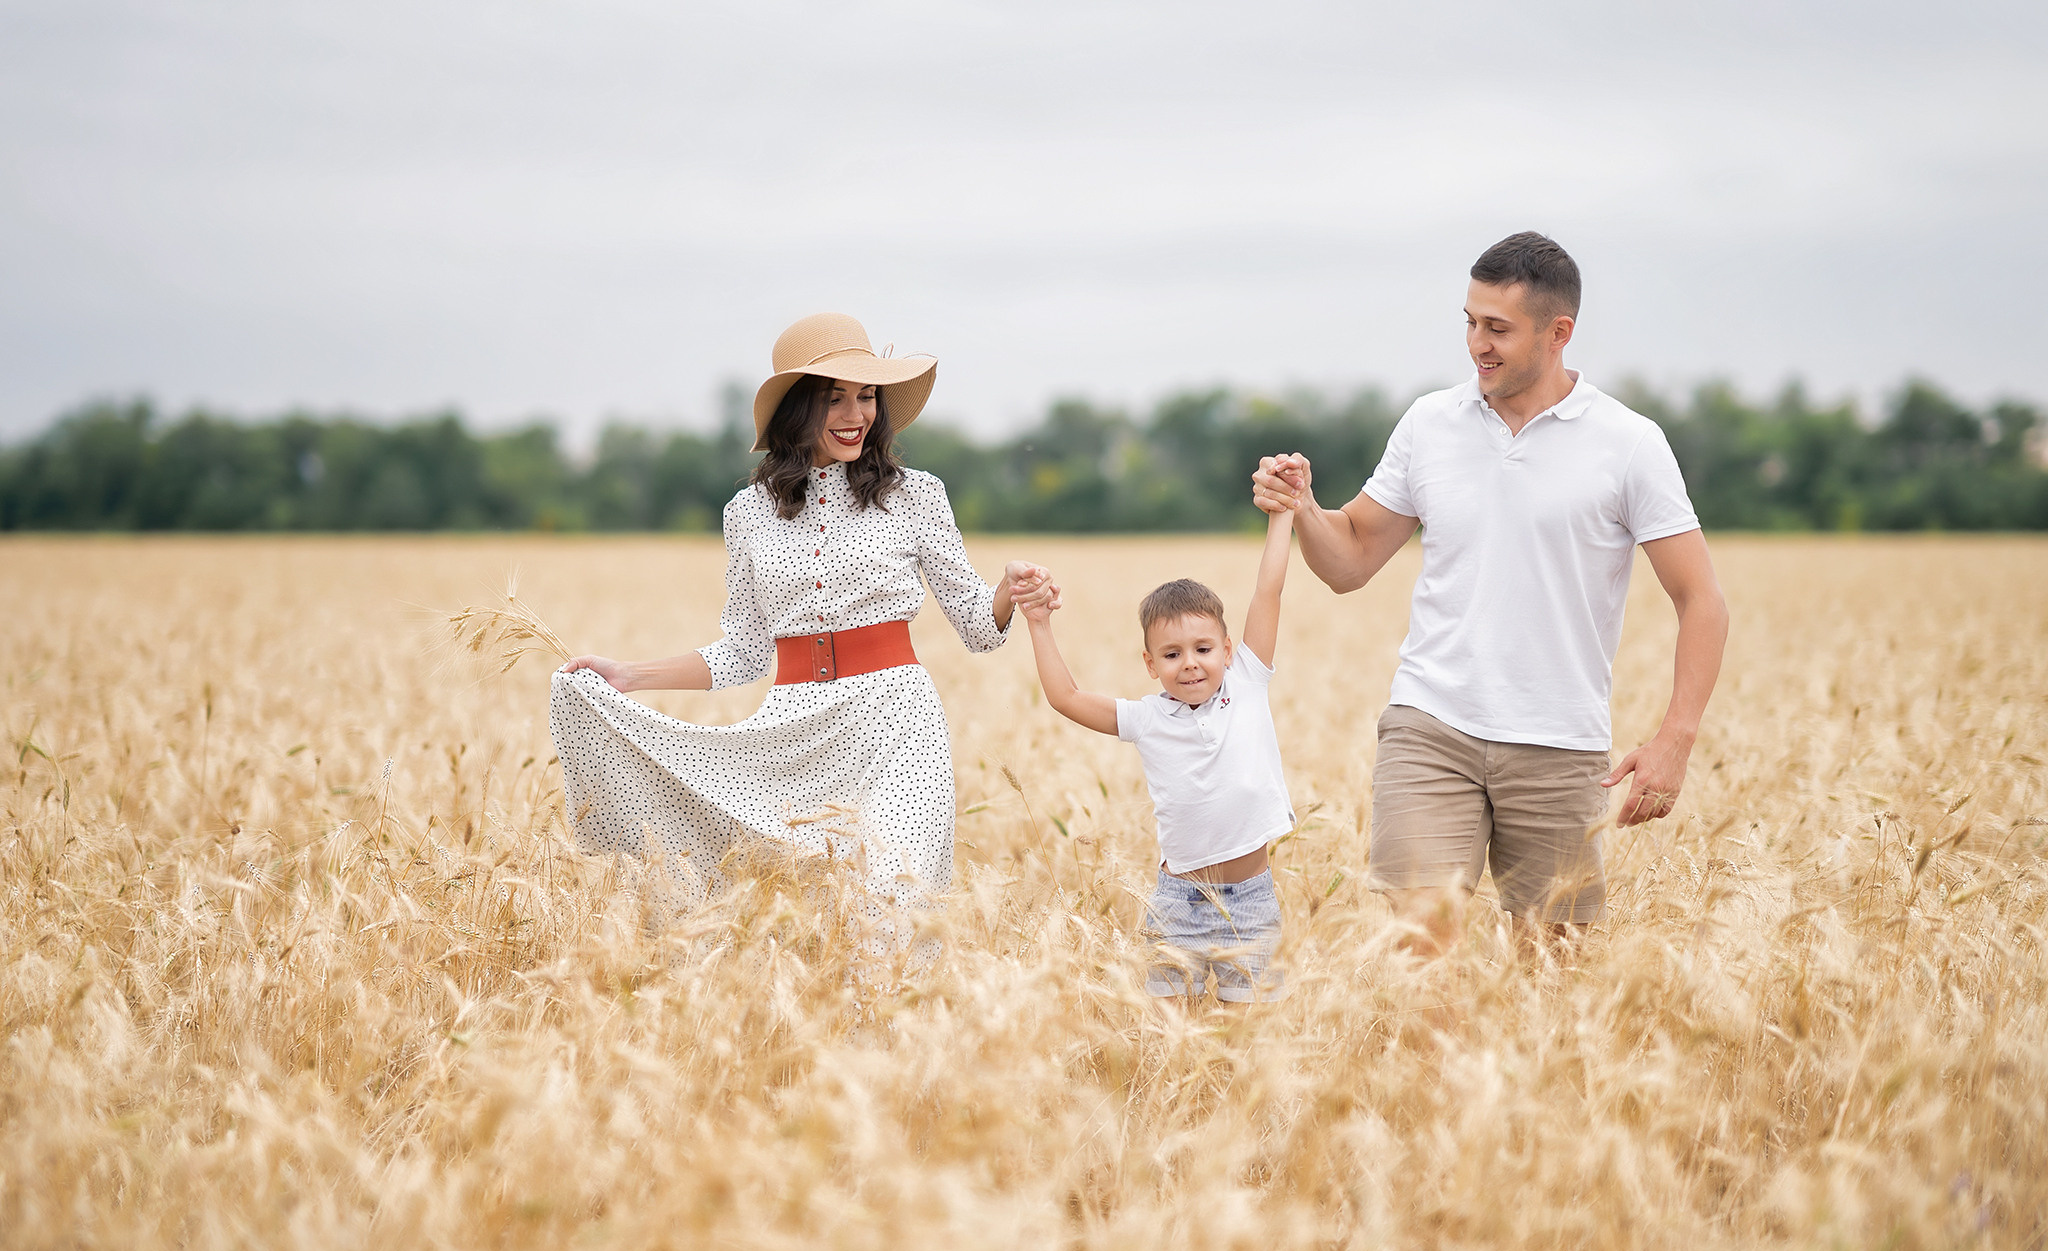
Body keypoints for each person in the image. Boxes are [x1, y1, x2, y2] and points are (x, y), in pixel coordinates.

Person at [1252, 231, 1729, 949]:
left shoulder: (1628, 443)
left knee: (1553, 972)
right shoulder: (1429, 424)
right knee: (1418, 943)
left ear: (1558, 332)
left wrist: (1675, 738)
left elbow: (1702, 599)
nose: (1477, 343)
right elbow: (1348, 560)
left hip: (1559, 740)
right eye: (1470, 322)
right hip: (1431, 723)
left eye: (1498, 328)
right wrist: (1305, 507)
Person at [549, 312, 1053, 964]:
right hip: (791, 731)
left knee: (889, 904)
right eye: (832, 397)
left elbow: (980, 629)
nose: (855, 414)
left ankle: (894, 1055)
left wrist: (1010, 589)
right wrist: (629, 675)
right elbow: (745, 652)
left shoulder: (917, 496)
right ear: (795, 409)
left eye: (866, 395)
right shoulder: (747, 514)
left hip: (895, 725)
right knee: (791, 925)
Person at [1018, 504, 1297, 1003]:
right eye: (1172, 655)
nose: (1190, 664)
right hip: (1179, 905)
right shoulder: (1147, 718)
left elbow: (1268, 591)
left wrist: (1282, 515)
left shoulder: (1248, 684)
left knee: (1248, 1040)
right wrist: (1039, 624)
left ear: (1229, 651)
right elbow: (1068, 698)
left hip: (1253, 901)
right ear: (1151, 664)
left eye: (1203, 649)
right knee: (1167, 1037)